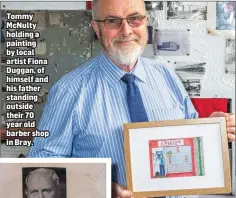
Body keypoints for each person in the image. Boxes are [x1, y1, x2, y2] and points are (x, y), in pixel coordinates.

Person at [27, 0, 235, 197]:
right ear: (96, 28)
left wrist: (213, 130)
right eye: (112, 21)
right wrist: (97, 188)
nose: (126, 30)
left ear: (145, 22)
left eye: (135, 18)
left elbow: (189, 135)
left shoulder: (165, 74)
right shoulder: (68, 90)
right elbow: (41, 166)